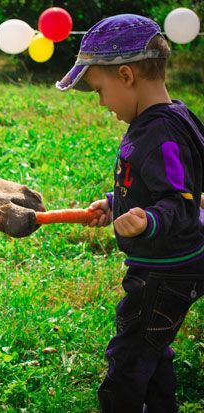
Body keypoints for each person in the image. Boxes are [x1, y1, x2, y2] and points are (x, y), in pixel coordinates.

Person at [56, 14, 204, 412]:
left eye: (98, 90)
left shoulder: (162, 132)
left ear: (125, 75)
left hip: (167, 272)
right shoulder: (162, 120)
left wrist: (148, 219)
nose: (102, 103)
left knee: (129, 358)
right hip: (163, 266)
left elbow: (181, 199)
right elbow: (151, 183)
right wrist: (114, 202)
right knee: (152, 348)